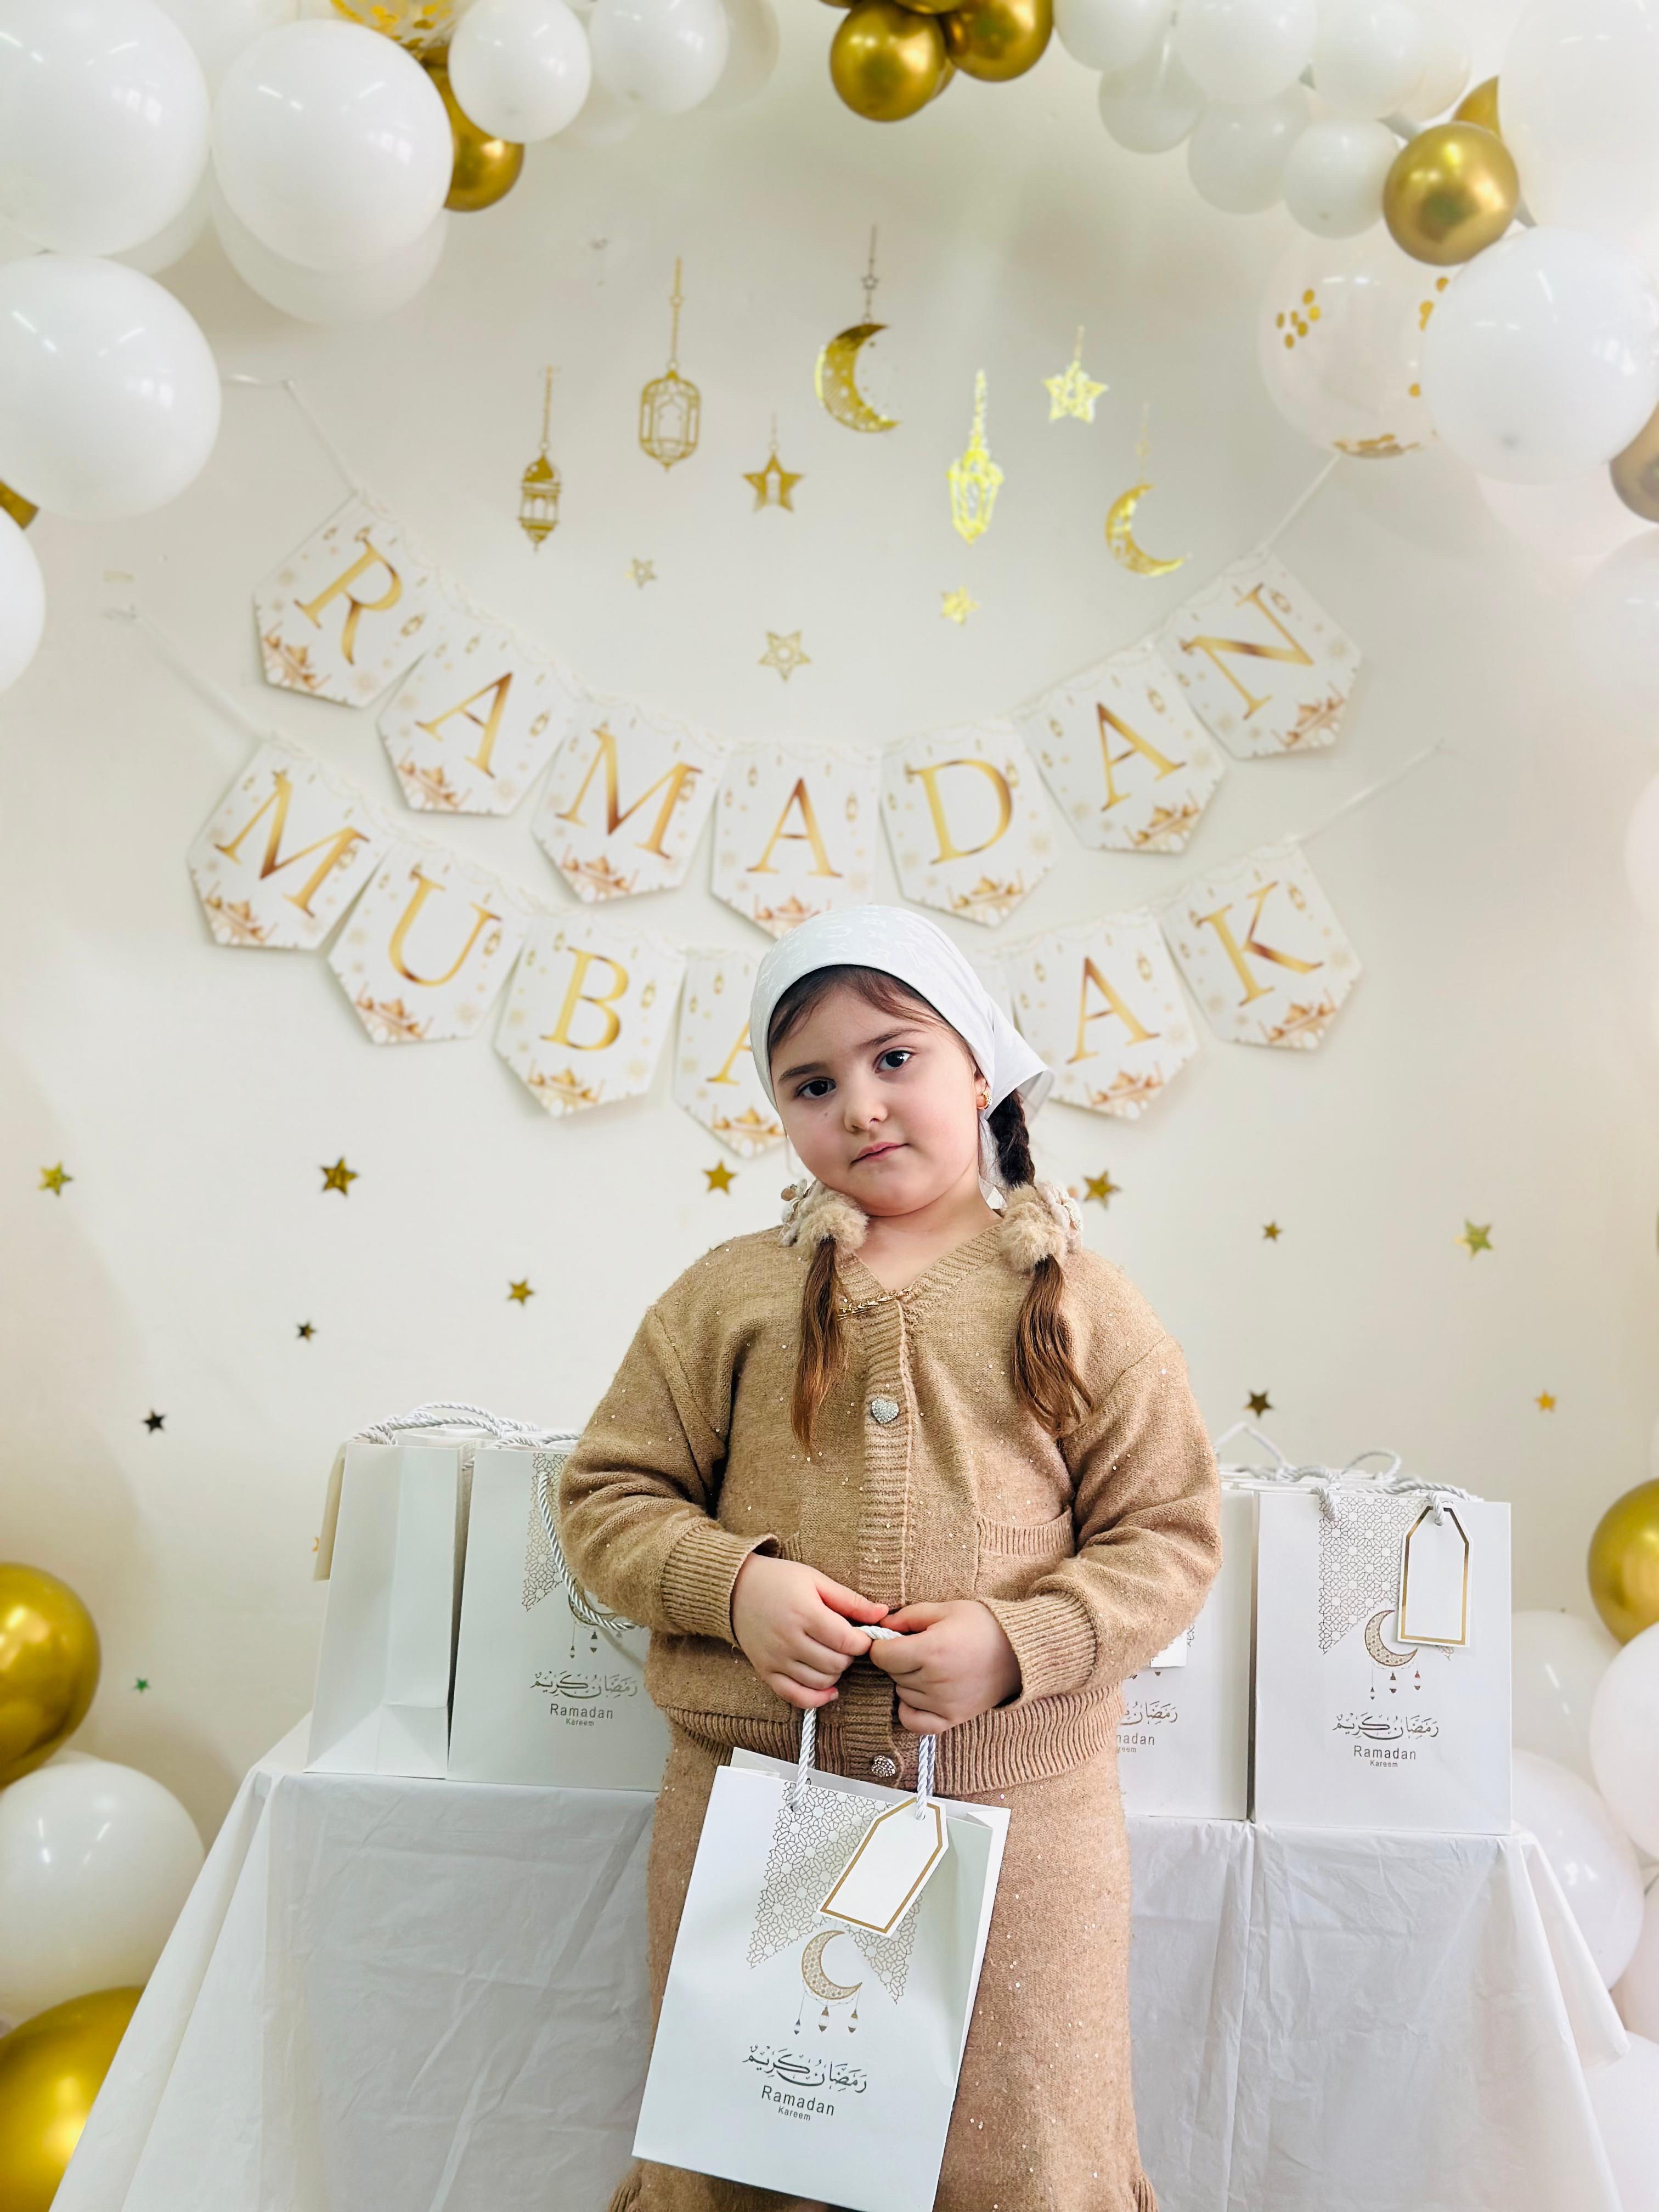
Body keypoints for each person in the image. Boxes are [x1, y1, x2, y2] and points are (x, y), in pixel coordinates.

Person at [559, 903, 1223, 2212]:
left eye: (895, 1058)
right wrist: (733, 1588)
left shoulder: (1085, 1304)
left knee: (1021, 2154)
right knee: (747, 2157)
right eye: (812, 1084)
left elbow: (1171, 1534)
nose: (859, 1105)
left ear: (978, 1066)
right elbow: (605, 1495)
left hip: (1021, 1831)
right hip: (752, 1810)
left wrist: (1019, 1642)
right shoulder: (728, 1296)